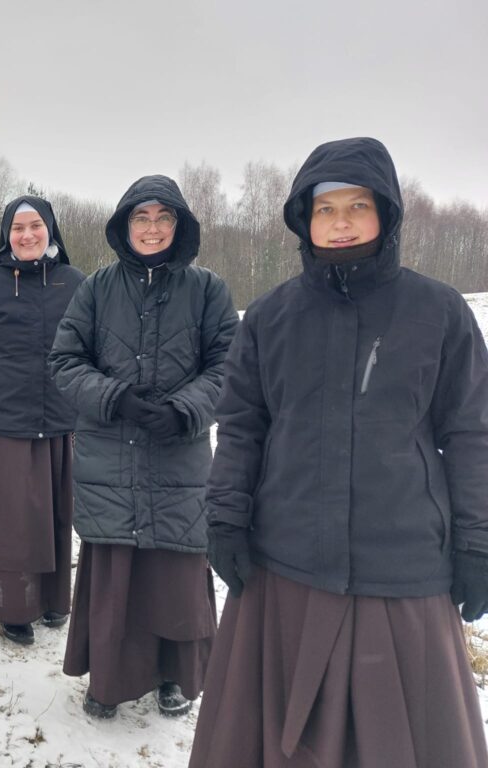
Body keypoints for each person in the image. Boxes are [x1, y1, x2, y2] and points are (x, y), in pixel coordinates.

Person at [191, 137, 488, 767]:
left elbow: (471, 433)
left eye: (358, 205)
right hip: (285, 566)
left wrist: (478, 539)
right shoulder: (268, 318)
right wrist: (225, 518)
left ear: (387, 213)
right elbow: (241, 427)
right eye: (325, 208)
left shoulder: (438, 312)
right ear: (305, 219)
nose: (341, 221)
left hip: (402, 572)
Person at [49, 176, 238, 719]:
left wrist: (184, 410)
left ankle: (174, 676)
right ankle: (108, 679)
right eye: (141, 218)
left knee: (174, 577)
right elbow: (64, 361)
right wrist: (114, 398)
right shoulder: (96, 289)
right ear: (124, 225)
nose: (152, 228)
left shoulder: (208, 289)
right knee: (115, 576)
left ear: (180, 226)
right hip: (110, 452)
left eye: (163, 218)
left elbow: (230, 366)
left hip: (178, 456)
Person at [0, 196, 85, 645]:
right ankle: (13, 606)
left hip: (60, 420)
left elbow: (93, 350)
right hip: (6, 421)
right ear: (6, 235)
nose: (27, 235)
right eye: (17, 228)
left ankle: (53, 599)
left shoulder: (74, 282)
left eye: (35, 226)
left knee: (55, 516)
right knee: (12, 523)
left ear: (51, 229)